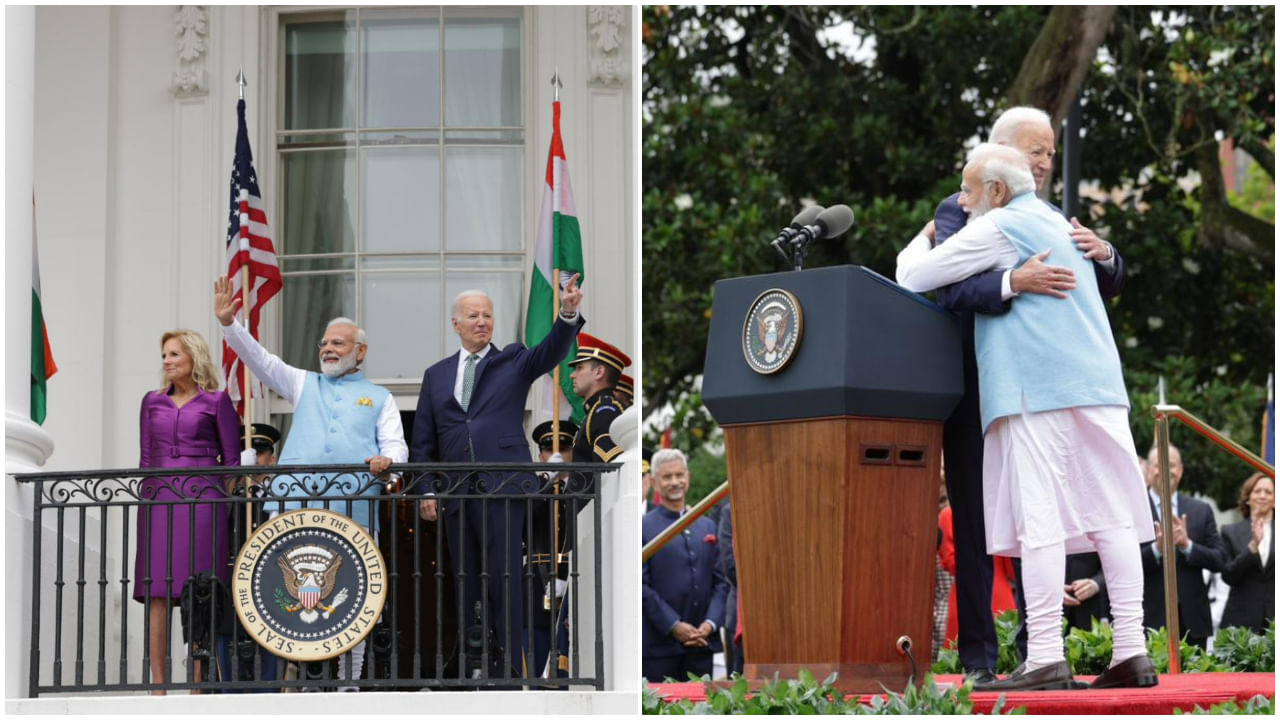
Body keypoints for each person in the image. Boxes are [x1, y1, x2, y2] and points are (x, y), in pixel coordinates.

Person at [896, 142, 1155, 691]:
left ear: (995, 190)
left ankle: (1043, 655)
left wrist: (921, 238)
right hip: (1100, 386)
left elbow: (914, 278)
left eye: (968, 191)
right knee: (1112, 519)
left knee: (1041, 521)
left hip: (1036, 390)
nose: (961, 203)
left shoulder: (999, 225)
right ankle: (1132, 650)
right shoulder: (1059, 223)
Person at [213, 276, 407, 686]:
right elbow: (261, 361)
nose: (327, 349)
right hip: (291, 508)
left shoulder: (380, 397)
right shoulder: (303, 383)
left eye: (337, 343)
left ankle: (349, 682)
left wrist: (387, 460)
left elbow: (397, 449)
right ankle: (289, 680)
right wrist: (230, 325)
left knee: (355, 599)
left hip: (352, 511)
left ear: (360, 351)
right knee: (278, 598)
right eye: (324, 342)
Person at [410, 278, 584, 679]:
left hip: (504, 487)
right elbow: (423, 442)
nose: (482, 322)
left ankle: (509, 665)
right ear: (456, 323)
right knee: (466, 581)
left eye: (488, 315)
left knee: (504, 577)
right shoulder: (436, 375)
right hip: (457, 493)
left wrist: (568, 314)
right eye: (473, 315)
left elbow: (551, 350)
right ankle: (476, 663)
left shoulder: (513, 359)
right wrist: (427, 489)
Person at [135, 329, 240, 693]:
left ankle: (197, 685)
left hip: (203, 500)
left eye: (174, 354)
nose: (166, 361)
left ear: (194, 358)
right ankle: (159, 687)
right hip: (160, 498)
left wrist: (217, 500)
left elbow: (231, 461)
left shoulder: (216, 401)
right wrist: (148, 498)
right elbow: (146, 458)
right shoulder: (151, 401)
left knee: (200, 591)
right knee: (158, 592)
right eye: (164, 355)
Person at [641, 449, 728, 682]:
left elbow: (721, 582)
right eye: (667, 477)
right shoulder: (643, 527)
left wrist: (709, 625)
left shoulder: (707, 525)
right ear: (654, 483)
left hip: (701, 645)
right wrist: (674, 625)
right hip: (659, 650)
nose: (675, 482)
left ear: (688, 478)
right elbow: (641, 586)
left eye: (679, 475)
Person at [1139, 444, 1228, 649]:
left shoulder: (1201, 510)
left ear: (1180, 470)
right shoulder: (1134, 508)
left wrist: (1188, 546)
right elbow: (1124, 563)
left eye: (1171, 464)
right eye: (1158, 464)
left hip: (1193, 622)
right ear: (1148, 470)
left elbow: (1220, 559)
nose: (1166, 470)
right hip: (1148, 622)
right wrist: (1157, 549)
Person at [525, 419, 578, 680]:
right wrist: (547, 481)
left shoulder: (581, 489)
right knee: (537, 672)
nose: (557, 454)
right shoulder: (532, 488)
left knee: (567, 673)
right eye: (548, 449)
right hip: (535, 586)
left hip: (571, 581)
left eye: (565, 448)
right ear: (541, 455)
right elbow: (523, 517)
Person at [1215, 473, 1273, 634]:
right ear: (1248, 498)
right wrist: (1252, 546)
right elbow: (1228, 575)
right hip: (1241, 623)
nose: (1262, 496)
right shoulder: (1230, 532)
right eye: (1257, 491)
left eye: (1268, 492)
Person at [567, 333, 630, 466]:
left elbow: (608, 472)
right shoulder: (597, 410)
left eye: (579, 368)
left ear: (599, 372)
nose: (572, 375)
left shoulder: (605, 412)